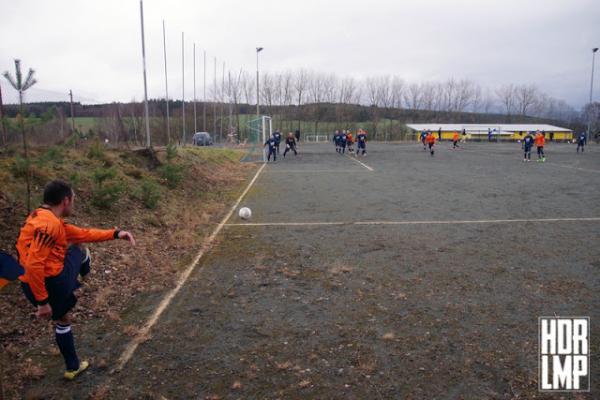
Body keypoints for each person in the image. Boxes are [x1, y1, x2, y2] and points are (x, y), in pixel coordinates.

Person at [16, 180, 135, 380]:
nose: (74, 204)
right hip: (49, 284)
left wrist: (115, 234)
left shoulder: (38, 217)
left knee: (63, 319)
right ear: (65, 200)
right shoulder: (50, 225)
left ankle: (73, 367)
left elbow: (83, 233)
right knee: (80, 249)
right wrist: (42, 302)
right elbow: (34, 264)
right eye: (74, 200)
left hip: (28, 284)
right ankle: (84, 270)